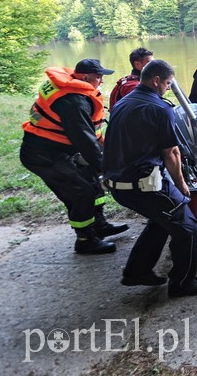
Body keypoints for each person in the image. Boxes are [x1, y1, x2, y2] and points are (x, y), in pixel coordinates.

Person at [104, 59, 197, 297]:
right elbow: (172, 152)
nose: (167, 88)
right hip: (143, 185)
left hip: (118, 184)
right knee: (187, 227)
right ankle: (183, 283)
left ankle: (136, 272)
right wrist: (182, 185)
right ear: (156, 81)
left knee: (162, 219)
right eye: (167, 83)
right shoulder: (160, 108)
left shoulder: (123, 102)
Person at [20, 59, 128, 254]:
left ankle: (99, 225)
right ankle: (85, 240)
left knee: (91, 179)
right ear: (84, 77)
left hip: (59, 150)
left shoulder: (78, 93)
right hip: (42, 155)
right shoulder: (73, 101)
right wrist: (105, 167)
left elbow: (91, 133)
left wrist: (106, 152)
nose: (101, 81)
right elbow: (84, 140)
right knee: (81, 192)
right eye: (98, 77)